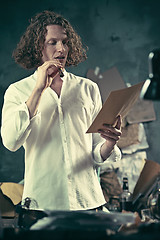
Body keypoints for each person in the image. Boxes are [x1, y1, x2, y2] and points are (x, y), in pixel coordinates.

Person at [1, 10, 122, 211]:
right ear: (37, 47)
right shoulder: (17, 91)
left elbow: (96, 152)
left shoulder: (88, 88)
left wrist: (110, 142)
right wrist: (39, 89)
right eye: (53, 42)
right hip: (43, 203)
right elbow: (11, 142)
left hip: (87, 201)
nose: (62, 49)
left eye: (65, 42)